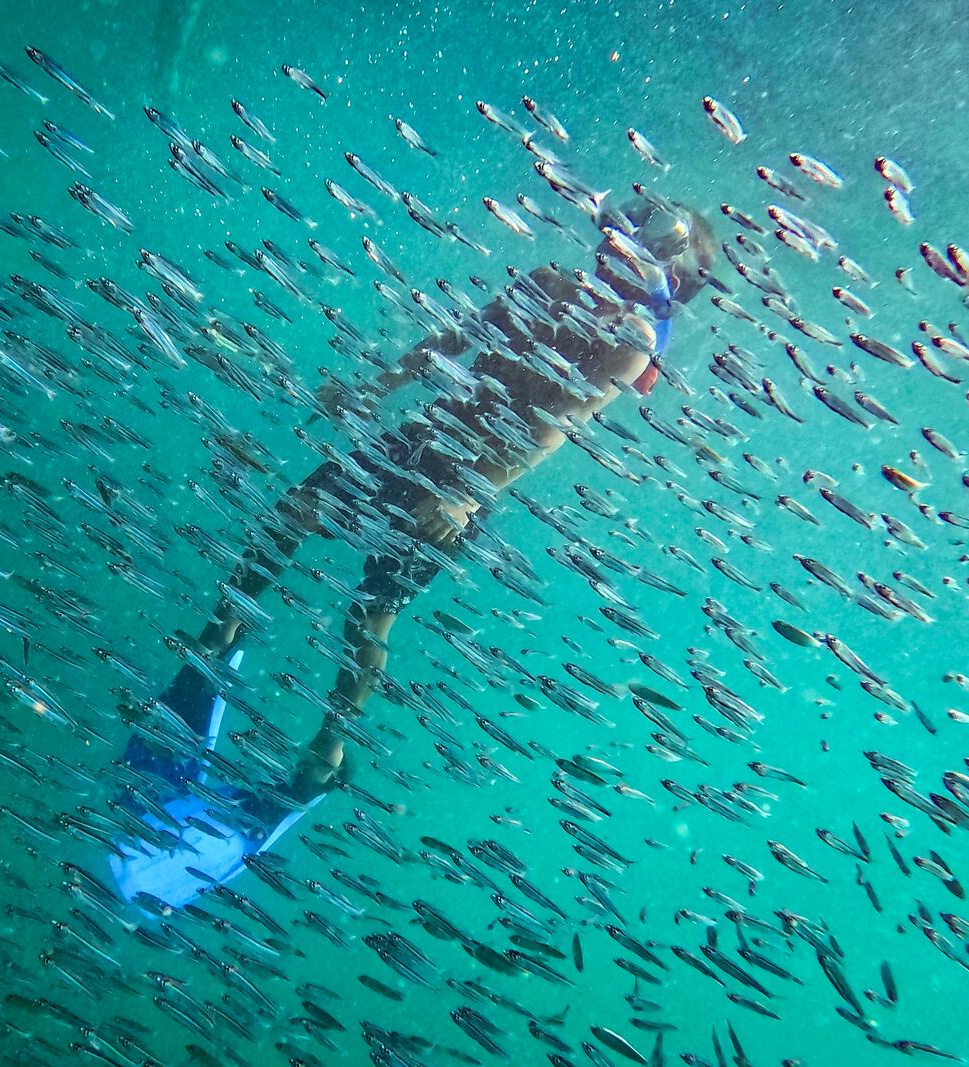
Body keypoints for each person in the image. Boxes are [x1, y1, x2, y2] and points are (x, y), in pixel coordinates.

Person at [109, 191, 719, 909]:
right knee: (291, 514)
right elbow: (456, 336)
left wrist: (467, 492)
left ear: (662, 273)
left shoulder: (633, 342)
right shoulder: (549, 283)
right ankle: (212, 649)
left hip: (465, 480)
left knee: (370, 615)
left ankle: (322, 759)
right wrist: (377, 388)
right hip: (423, 435)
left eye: (635, 246)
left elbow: (559, 423)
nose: (611, 247)